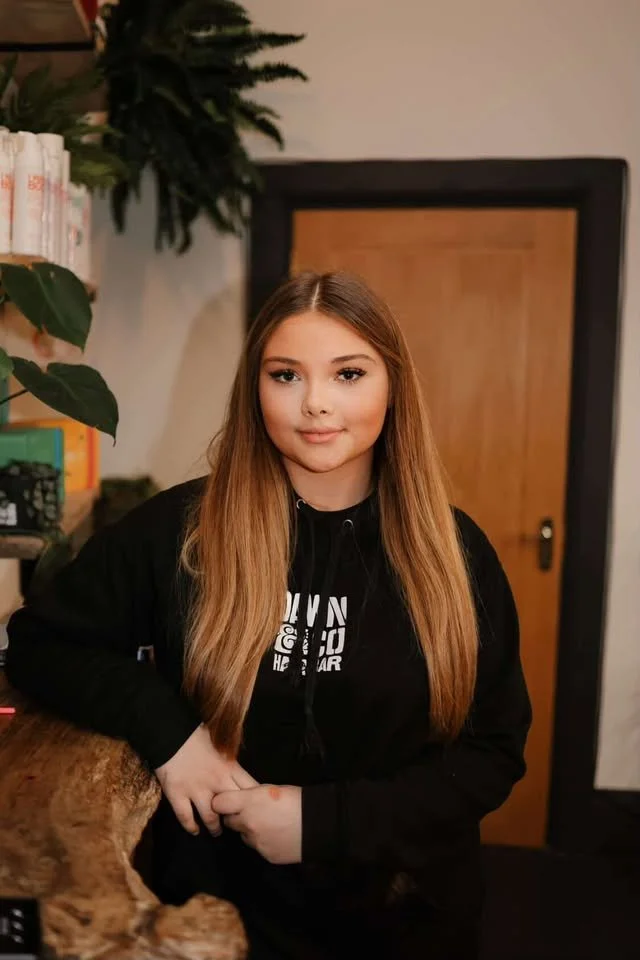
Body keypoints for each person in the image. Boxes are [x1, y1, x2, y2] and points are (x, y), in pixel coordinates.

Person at [5, 271, 532, 960]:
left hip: (407, 921)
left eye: (348, 374)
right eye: (286, 375)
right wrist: (172, 733)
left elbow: (491, 754)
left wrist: (323, 824)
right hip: (220, 919)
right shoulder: (181, 531)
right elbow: (40, 643)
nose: (316, 405)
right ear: (255, 389)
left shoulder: (456, 554)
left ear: (393, 386)